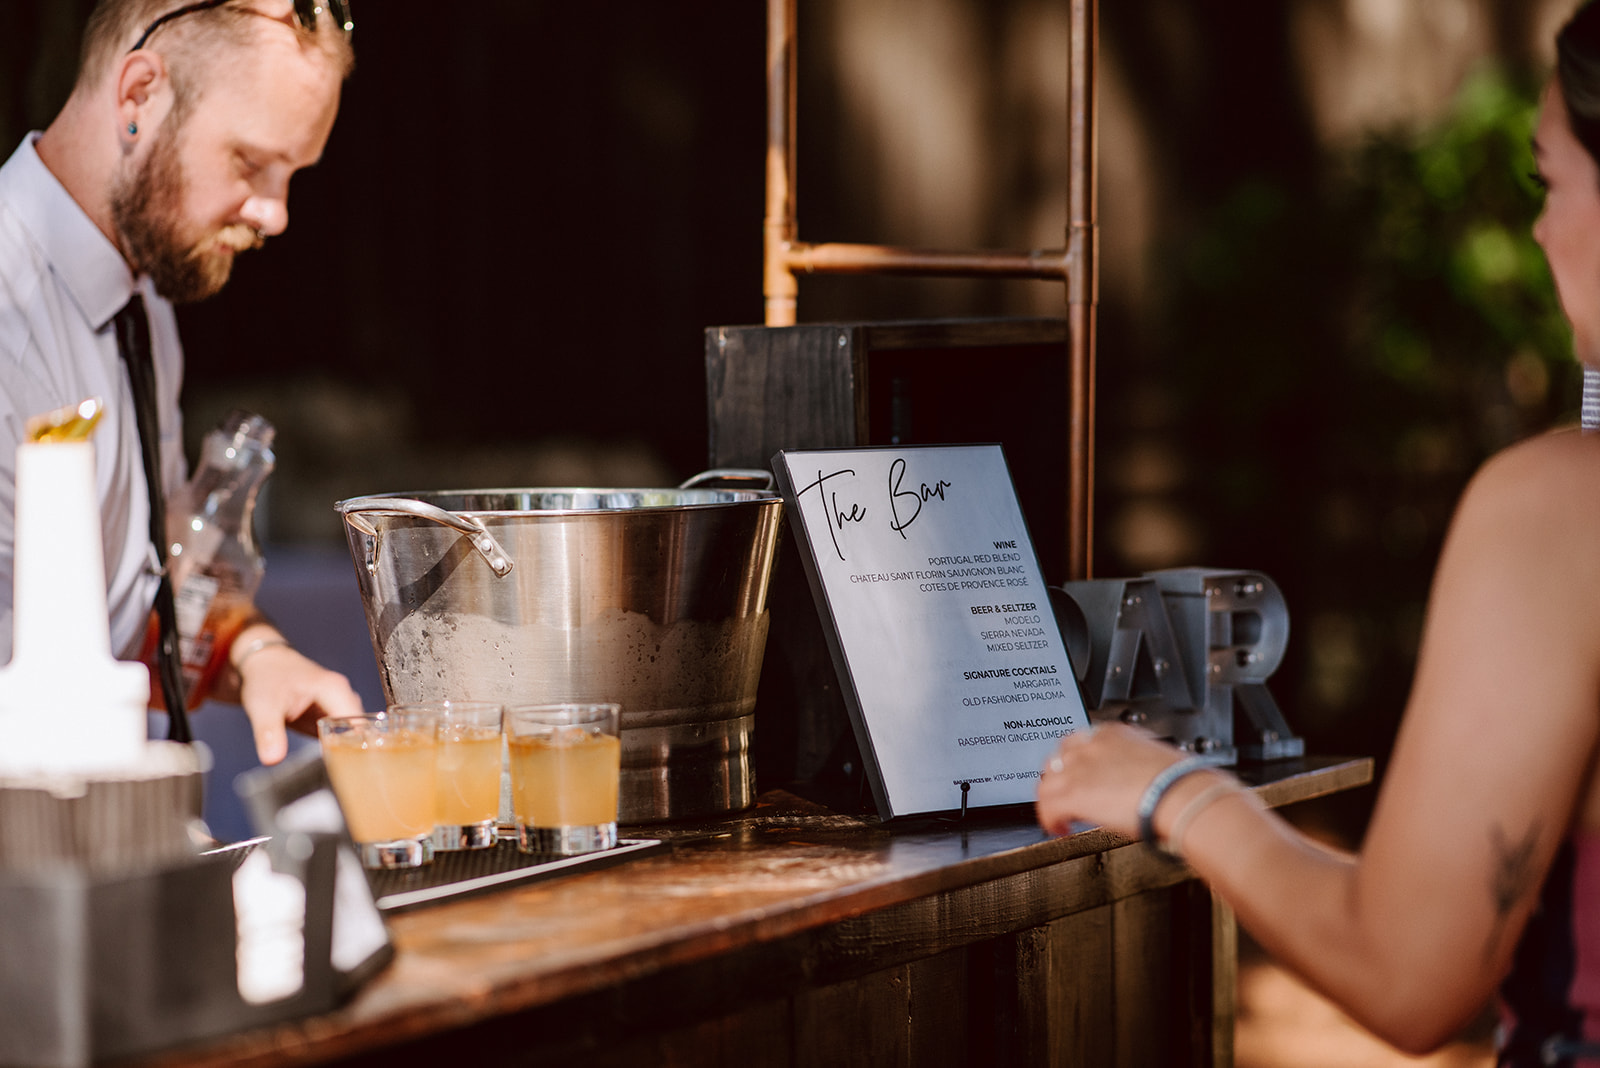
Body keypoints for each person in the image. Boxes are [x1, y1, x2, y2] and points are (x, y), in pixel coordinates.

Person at [1038, 3, 1600, 1064]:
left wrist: (1169, 791)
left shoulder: (1557, 513)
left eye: (1548, 182)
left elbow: (1406, 974)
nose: (1535, 229)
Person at [0, 0, 362, 765]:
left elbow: (128, 608)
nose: (275, 214)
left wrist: (253, 655)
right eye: (250, 162)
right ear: (138, 95)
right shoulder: (10, 306)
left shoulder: (145, 306)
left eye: (291, 174)